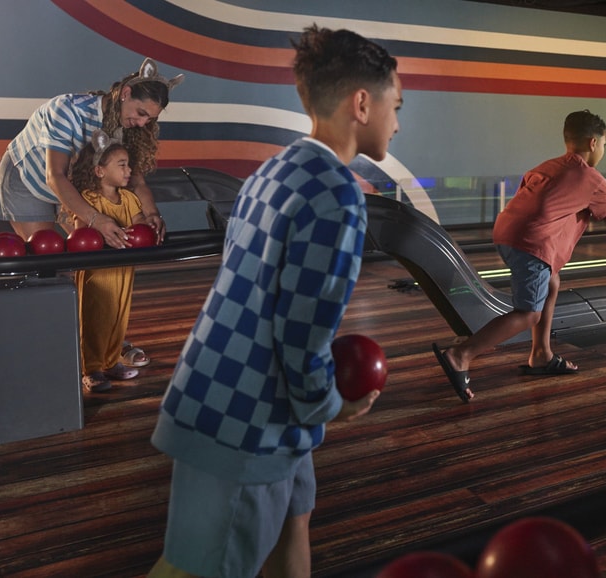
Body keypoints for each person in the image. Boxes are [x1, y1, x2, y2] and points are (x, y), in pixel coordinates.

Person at [148, 25, 400, 578]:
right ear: (362, 103)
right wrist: (331, 404)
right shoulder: (338, 195)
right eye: (395, 105)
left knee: (295, 521)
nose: (398, 121)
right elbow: (302, 332)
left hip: (216, 388)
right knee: (197, 568)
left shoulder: (274, 170)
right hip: (247, 418)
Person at [433, 110, 606, 403]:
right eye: (605, 145)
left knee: (551, 283)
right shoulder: (592, 179)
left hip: (505, 233)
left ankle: (541, 354)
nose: (604, 151)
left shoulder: (547, 166)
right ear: (594, 142)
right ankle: (461, 355)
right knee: (527, 313)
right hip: (530, 243)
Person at [0, 56, 182, 369]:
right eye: (141, 113)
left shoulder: (124, 126)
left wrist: (151, 213)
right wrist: (95, 218)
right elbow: (56, 176)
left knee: (99, 263)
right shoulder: (67, 110)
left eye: (151, 119)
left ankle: (103, 349)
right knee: (57, 266)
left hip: (76, 181)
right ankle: (70, 359)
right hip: (28, 178)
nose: (144, 123)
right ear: (124, 95)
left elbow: (134, 178)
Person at [66, 129, 147, 392]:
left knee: (118, 316)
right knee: (94, 318)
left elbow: (139, 226)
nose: (128, 170)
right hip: (97, 274)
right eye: (122, 165)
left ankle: (111, 362)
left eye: (129, 165)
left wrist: (147, 228)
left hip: (123, 271)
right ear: (100, 171)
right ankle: (91, 369)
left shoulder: (130, 199)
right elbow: (80, 230)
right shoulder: (88, 200)